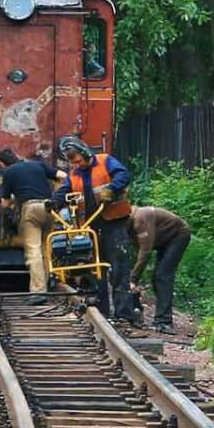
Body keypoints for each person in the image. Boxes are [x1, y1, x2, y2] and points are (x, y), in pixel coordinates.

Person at [54, 136, 138, 324]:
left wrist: (112, 189)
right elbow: (65, 190)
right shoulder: (74, 174)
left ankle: (124, 314)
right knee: (94, 268)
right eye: (72, 161)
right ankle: (102, 312)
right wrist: (54, 201)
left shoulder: (105, 160)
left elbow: (123, 175)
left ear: (84, 153)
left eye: (77, 159)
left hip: (113, 221)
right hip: (90, 224)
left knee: (119, 267)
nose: (76, 163)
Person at [0, 147, 61, 293]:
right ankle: (50, 278)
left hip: (31, 209)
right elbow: (62, 175)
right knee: (46, 246)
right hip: (49, 207)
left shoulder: (9, 172)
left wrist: (10, 203)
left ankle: (38, 291)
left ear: (2, 164)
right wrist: (57, 196)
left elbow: (5, 203)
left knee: (33, 249)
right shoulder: (37, 164)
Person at [129, 205, 192, 330]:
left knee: (162, 276)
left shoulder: (140, 220)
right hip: (163, 239)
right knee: (157, 277)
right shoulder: (130, 224)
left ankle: (164, 321)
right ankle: (159, 317)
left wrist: (133, 279)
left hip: (177, 235)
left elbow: (145, 252)